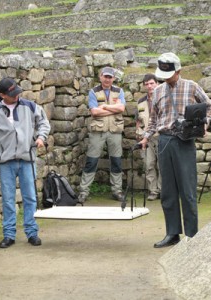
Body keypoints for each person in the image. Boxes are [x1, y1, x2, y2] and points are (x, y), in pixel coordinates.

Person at [140, 52, 211, 248]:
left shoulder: (192, 86)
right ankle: (172, 233)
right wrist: (146, 137)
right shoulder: (158, 91)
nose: (165, 78)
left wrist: (205, 123)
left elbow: (208, 107)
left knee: (187, 190)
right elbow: (154, 120)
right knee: (169, 191)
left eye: (169, 73)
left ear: (178, 71)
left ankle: (192, 235)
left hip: (184, 141)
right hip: (164, 142)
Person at [0, 77, 50, 248]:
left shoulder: (30, 106)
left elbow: (44, 122)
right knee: (7, 199)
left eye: (17, 92)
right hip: (5, 162)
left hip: (27, 158)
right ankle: (9, 235)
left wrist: (41, 137)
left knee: (29, 197)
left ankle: (31, 233)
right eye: (12, 94)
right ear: (1, 95)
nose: (16, 96)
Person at [78, 66, 126, 203]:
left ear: (114, 78)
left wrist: (104, 107)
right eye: (105, 76)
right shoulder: (93, 92)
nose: (107, 79)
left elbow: (122, 108)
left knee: (116, 161)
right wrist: (113, 110)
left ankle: (117, 191)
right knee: (91, 161)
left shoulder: (119, 91)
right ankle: (83, 191)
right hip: (97, 131)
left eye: (110, 77)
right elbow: (94, 112)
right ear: (100, 77)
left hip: (114, 131)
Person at [135, 74, 161, 201]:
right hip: (147, 138)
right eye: (146, 84)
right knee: (149, 164)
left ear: (157, 83)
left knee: (163, 166)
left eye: (151, 83)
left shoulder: (163, 97)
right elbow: (138, 120)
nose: (149, 86)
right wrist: (140, 136)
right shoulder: (140, 101)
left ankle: (164, 190)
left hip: (162, 136)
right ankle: (153, 191)